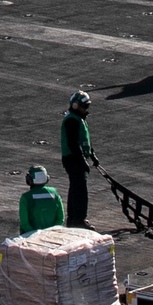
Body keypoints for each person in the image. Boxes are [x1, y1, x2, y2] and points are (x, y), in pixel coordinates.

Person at [61, 91, 98, 229]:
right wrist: (83, 161)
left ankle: (73, 220)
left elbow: (83, 140)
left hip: (75, 158)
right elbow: (73, 144)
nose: (86, 109)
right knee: (80, 190)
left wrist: (92, 154)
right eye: (84, 106)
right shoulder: (72, 120)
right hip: (73, 159)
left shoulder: (78, 118)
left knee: (75, 188)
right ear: (76, 105)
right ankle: (79, 219)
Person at [19, 165, 66, 233]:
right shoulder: (55, 194)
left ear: (30, 180)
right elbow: (60, 218)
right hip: (52, 235)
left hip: (30, 238)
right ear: (47, 178)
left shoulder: (26, 197)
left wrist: (34, 234)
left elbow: (24, 223)